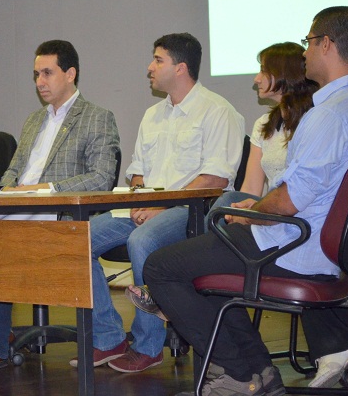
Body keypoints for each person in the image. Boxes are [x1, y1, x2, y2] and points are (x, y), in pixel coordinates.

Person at [144, 6, 348, 396]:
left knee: (162, 267)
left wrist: (251, 212)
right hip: (332, 250)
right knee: (205, 253)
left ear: (326, 44)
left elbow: (288, 200)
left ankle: (244, 375)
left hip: (295, 248)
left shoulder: (327, 117)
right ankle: (254, 373)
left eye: (308, 42)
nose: (305, 52)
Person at [0, 39, 120, 373]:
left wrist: (47, 189)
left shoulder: (97, 117)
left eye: (47, 73)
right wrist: (4, 191)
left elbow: (101, 178)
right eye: (36, 74)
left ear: (70, 74)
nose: (39, 81)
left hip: (58, 212)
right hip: (17, 206)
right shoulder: (33, 120)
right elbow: (13, 170)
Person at [87, 33, 244, 374]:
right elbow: (137, 172)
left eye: (158, 60)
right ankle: (108, 337)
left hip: (192, 210)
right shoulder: (152, 115)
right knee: (78, 238)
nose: (150, 67)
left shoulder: (218, 111)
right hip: (149, 206)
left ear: (181, 68)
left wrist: (161, 206)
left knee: (142, 239)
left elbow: (215, 179)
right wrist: (142, 198)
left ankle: (148, 345)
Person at [129, 42, 318, 319]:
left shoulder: (314, 122)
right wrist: (246, 209)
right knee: (229, 203)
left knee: (223, 203)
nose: (256, 79)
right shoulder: (264, 125)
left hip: (294, 216)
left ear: (284, 75)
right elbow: (250, 189)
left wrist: (248, 208)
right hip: (264, 210)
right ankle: (177, 293)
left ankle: (172, 293)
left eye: (263, 71)